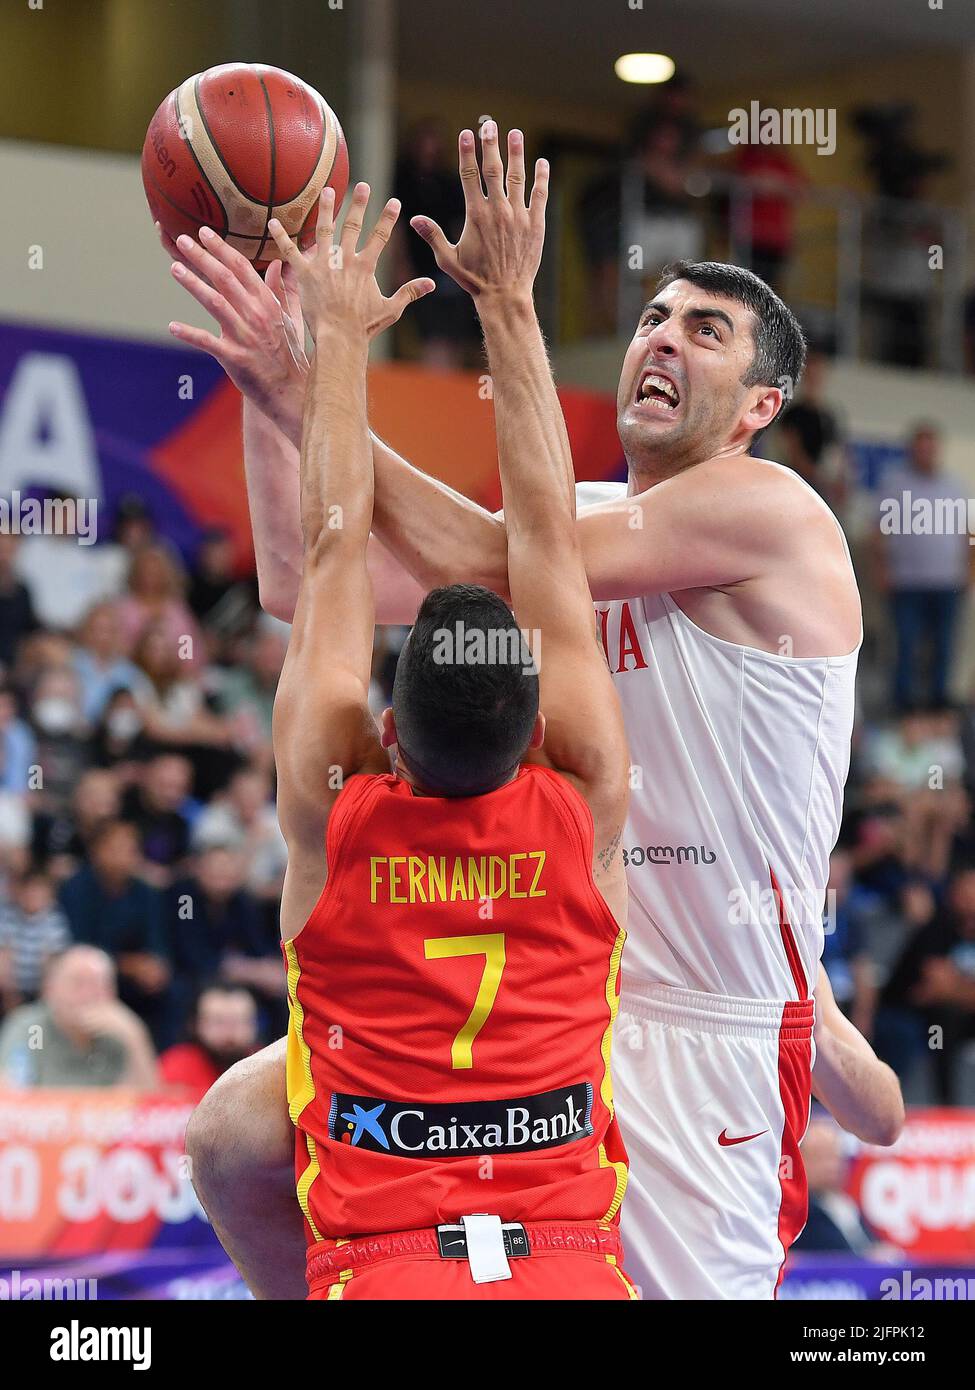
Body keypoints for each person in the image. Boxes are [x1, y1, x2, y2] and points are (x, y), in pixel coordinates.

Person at [166, 124, 903, 1301]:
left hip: (696, 1018)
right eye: (655, 317)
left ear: (763, 402)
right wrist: (279, 387)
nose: (664, 338)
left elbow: (485, 551)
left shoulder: (774, 508)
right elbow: (306, 582)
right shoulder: (577, 520)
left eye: (705, 331)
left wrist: (323, 382)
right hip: (550, 993)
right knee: (235, 1138)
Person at [214, 166, 635, 1302]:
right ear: (540, 725)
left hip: (385, 1262)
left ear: (387, 732)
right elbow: (547, 533)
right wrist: (509, 298)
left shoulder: (329, 804)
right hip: (566, 1263)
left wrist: (335, 341)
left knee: (226, 1137)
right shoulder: (586, 790)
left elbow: (333, 548)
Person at [873, 423, 970, 712]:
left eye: (931, 447)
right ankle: (904, 702)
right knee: (906, 644)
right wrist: (881, 571)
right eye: (920, 447)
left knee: (944, 646)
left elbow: (970, 532)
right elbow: (877, 533)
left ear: (937, 450)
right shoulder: (895, 484)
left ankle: (939, 700)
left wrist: (970, 571)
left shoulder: (955, 487)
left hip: (947, 583)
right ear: (912, 450)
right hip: (906, 583)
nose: (926, 453)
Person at [0, 945, 157, 1089]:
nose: (88, 995)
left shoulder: (122, 1031)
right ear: (49, 989)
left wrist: (134, 1036)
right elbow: (10, 1094)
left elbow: (150, 1104)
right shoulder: (33, 1028)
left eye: (99, 985)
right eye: (78, 983)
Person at [159, 982, 258, 1094]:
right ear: (195, 1024)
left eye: (239, 1021)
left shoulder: (270, 1064)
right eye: (218, 1022)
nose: (229, 1032)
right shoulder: (177, 1064)